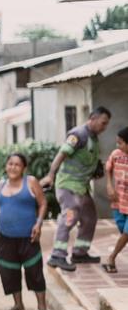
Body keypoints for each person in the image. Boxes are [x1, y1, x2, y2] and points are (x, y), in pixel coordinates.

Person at [40, 107, 111, 271]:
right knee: (70, 217)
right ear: (92, 118)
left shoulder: (93, 137)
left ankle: (80, 253)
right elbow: (61, 154)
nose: (104, 127)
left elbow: (87, 159)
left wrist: (96, 169)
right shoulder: (78, 134)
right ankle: (57, 255)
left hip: (81, 187)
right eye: (103, 123)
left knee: (89, 218)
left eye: (106, 125)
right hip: (68, 185)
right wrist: (51, 175)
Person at [0, 154, 50, 310]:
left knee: (34, 272)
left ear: (23, 168)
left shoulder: (31, 182)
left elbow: (42, 203)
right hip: (5, 238)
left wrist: (38, 224)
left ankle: (42, 307)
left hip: (28, 237)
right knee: (9, 271)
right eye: (10, 164)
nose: (13, 167)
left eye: (17, 165)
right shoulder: (1, 186)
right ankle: (18, 305)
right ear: (6, 166)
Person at [103, 127, 128, 273]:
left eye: (121, 143)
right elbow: (108, 168)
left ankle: (111, 258)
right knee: (123, 231)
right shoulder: (116, 154)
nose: (118, 146)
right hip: (118, 202)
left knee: (127, 233)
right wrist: (109, 185)